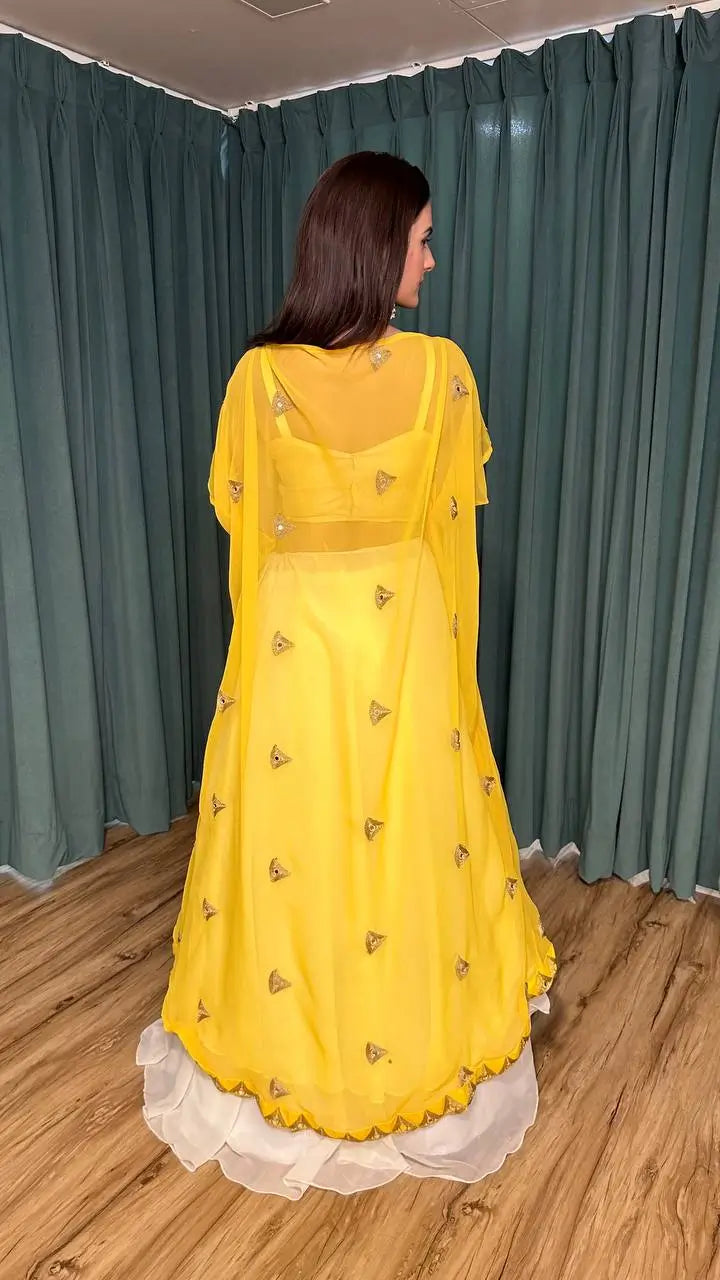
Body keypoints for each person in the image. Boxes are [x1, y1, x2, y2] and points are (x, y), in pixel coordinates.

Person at [138, 152, 556, 1199]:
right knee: (405, 834)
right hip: (404, 641)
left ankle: (298, 1043)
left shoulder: (259, 381)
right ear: (373, 246)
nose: (431, 259)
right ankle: (402, 1041)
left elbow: (243, 524)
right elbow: (449, 530)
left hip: (295, 649)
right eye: (421, 238)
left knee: (301, 837)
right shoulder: (443, 372)